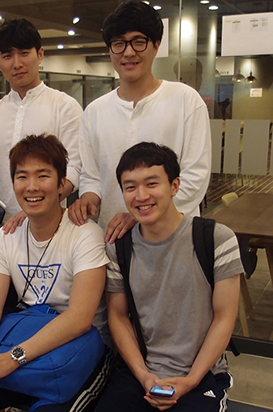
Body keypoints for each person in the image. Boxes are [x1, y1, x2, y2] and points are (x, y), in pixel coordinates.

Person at [0, 134, 111, 412]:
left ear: (62, 184)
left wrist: (13, 359)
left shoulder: (85, 234)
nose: (32, 186)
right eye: (22, 177)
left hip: (79, 354)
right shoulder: (6, 237)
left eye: (43, 175)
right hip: (27, 345)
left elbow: (80, 318)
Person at [90, 142, 241, 412]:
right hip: (139, 374)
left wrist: (191, 380)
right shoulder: (119, 248)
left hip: (201, 375)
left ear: (175, 186)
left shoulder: (216, 239)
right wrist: (144, 375)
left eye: (152, 183)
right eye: (130, 187)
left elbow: (225, 318)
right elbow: (118, 316)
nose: (141, 195)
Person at [69, 0, 211, 243]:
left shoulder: (185, 100)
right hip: (114, 237)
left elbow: (195, 175)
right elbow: (92, 177)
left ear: (156, 45)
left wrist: (141, 215)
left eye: (138, 41)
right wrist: (88, 199)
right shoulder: (95, 111)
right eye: (118, 43)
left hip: (173, 238)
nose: (128, 52)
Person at [0, 18, 82, 228]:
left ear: (40, 54)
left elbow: (75, 168)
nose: (17, 64)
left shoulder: (65, 107)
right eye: (7, 56)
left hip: (49, 225)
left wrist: (35, 207)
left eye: (24, 53)